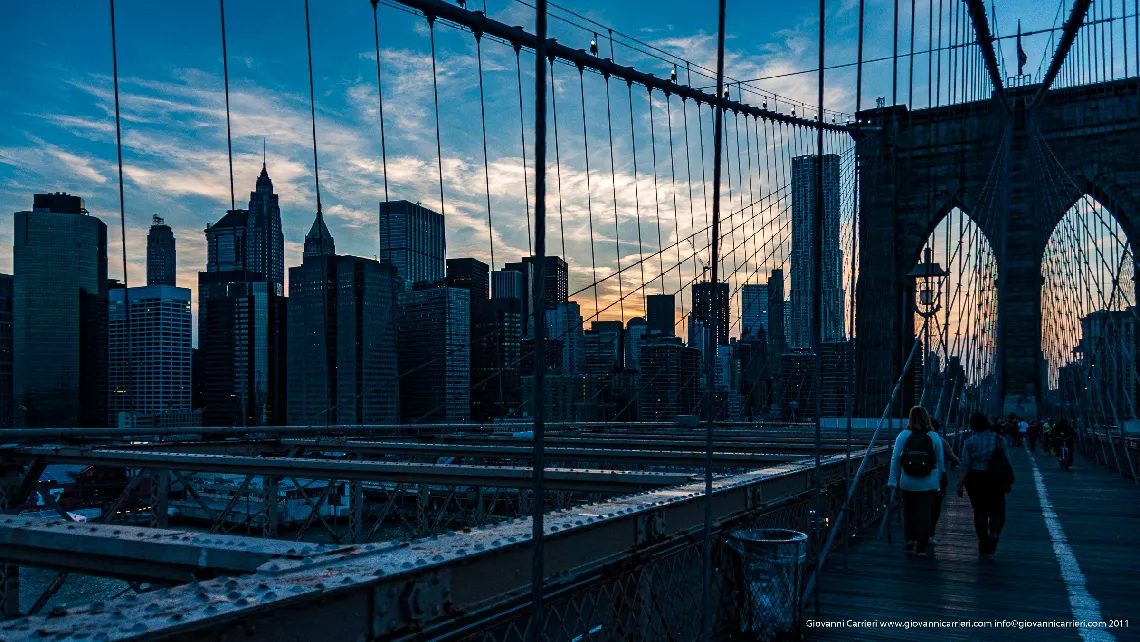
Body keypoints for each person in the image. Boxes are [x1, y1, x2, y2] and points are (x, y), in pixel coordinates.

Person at [889, 406, 945, 557]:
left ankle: (910, 541)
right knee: (925, 513)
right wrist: (939, 480)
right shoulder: (933, 436)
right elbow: (940, 461)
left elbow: (895, 459)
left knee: (910, 511)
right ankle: (921, 545)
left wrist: (892, 480)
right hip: (929, 482)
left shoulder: (903, 435)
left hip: (908, 482)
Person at [957, 413, 1013, 555]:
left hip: (976, 480)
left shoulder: (969, 442)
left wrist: (959, 484)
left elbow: (965, 465)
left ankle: (983, 540)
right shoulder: (1000, 440)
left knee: (980, 511)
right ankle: (994, 535)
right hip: (996, 479)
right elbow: (1007, 461)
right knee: (998, 510)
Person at [928, 419, 961, 544]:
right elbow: (952, 457)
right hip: (937, 478)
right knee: (935, 506)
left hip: (916, 478)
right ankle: (930, 534)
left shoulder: (911, 437)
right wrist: (959, 462)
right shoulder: (940, 440)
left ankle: (914, 537)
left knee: (918, 507)